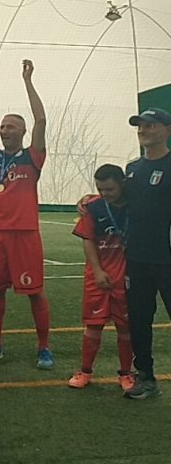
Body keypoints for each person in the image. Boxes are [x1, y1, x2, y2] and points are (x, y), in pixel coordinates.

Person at [0, 60, 53, 369]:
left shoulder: (33, 156)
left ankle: (44, 348)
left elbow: (41, 119)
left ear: (23, 131)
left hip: (25, 234)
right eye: (2, 127)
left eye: (11, 126)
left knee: (34, 293)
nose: (5, 130)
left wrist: (27, 80)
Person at [69, 164, 134, 391]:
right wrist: (97, 270)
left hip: (127, 277)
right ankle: (85, 371)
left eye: (110, 189)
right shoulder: (94, 207)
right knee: (93, 325)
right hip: (98, 276)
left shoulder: (135, 203)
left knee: (125, 327)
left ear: (122, 184)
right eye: (100, 189)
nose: (105, 194)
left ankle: (126, 373)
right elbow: (87, 239)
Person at [121, 107, 171, 399]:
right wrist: (90, 201)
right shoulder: (133, 169)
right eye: (140, 125)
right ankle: (146, 377)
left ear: (167, 130)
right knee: (139, 320)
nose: (143, 130)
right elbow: (120, 203)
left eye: (151, 125)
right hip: (137, 259)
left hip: (167, 259)